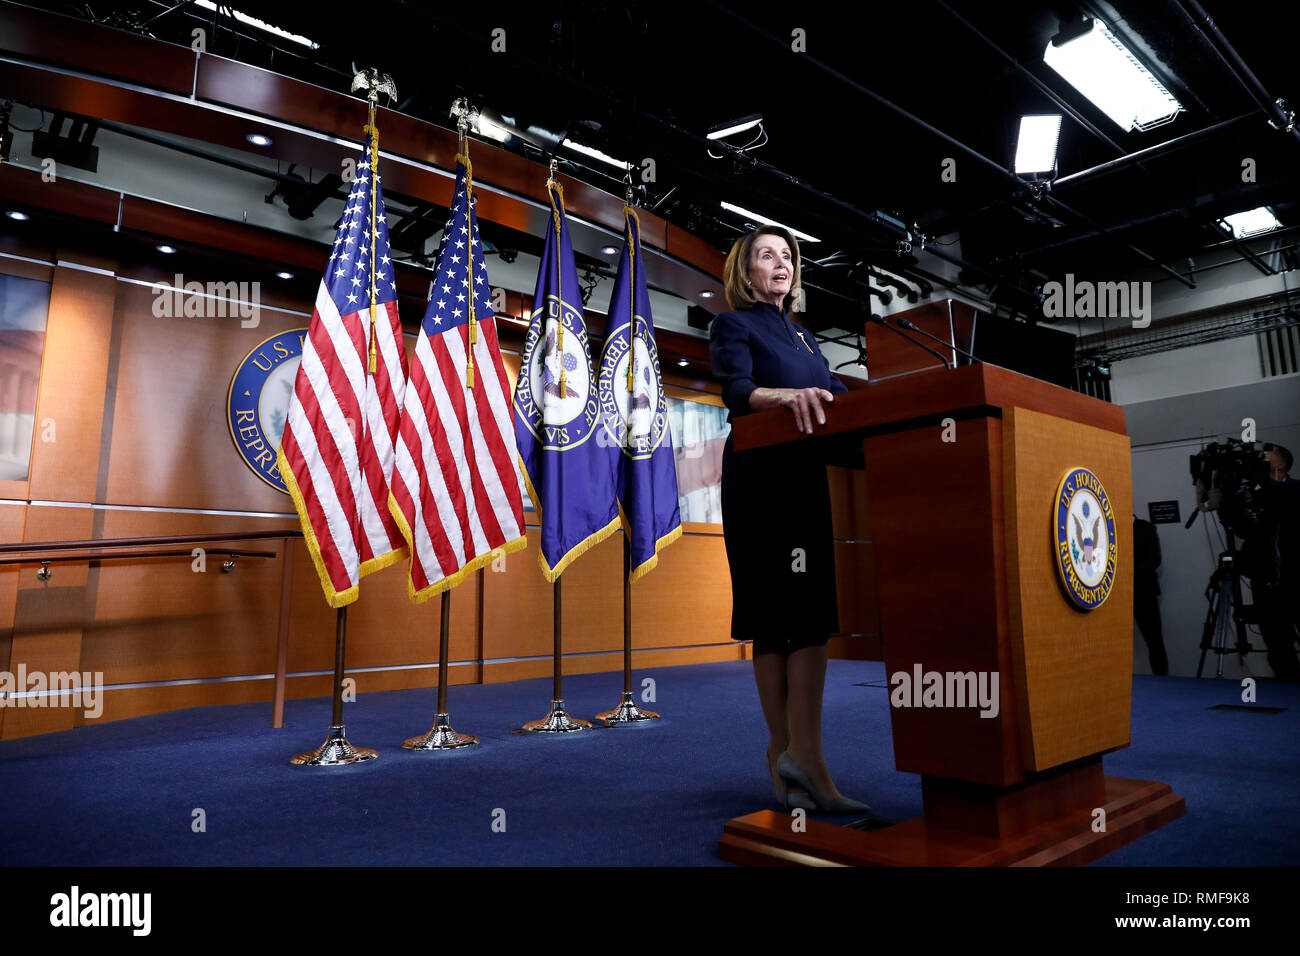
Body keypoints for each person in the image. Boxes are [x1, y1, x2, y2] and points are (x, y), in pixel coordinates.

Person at [708, 225, 868, 814]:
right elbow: (738, 390)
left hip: (804, 477)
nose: (780, 263)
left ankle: (798, 754)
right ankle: (793, 752)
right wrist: (782, 397)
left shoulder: (807, 340)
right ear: (745, 271)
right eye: (766, 255)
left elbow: (833, 400)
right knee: (776, 617)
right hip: (760, 479)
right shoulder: (734, 324)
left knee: (809, 617)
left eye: (787, 256)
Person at [1251, 443, 1300, 680]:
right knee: (1277, 643)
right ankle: (1288, 688)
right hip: (1266, 581)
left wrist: (1261, 482)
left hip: (1295, 577)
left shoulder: (1295, 488)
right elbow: (1242, 528)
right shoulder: (1254, 493)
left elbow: (1281, 503)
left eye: (1266, 456)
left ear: (1281, 463)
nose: (1261, 459)